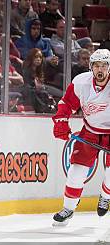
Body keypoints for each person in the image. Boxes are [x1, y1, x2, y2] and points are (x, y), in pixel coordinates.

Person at [52, 49, 110, 226]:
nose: (100, 70)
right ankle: (68, 208)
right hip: (90, 132)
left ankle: (105, 196)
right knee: (76, 172)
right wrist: (61, 122)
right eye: (96, 66)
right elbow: (67, 103)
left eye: (104, 66)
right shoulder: (81, 82)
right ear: (91, 67)